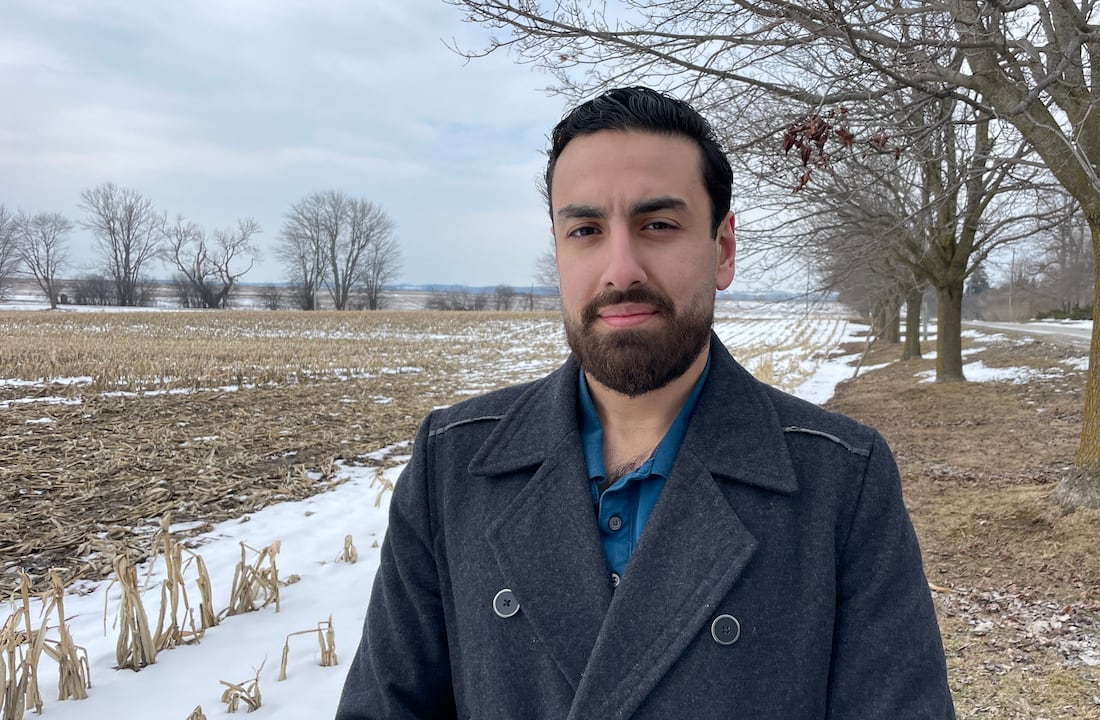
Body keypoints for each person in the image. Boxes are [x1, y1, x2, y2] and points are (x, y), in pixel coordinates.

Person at [336, 86, 954, 719]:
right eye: (586, 230)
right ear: (558, 251)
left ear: (723, 249)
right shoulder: (453, 467)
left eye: (658, 225)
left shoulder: (840, 482)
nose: (621, 269)